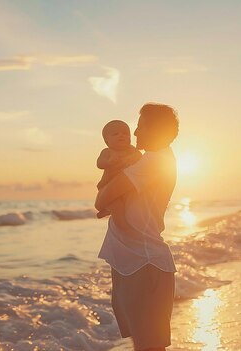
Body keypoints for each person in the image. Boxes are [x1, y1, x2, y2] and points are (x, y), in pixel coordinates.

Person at [95, 103, 179, 351]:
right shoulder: (161, 158)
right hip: (137, 261)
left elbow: (101, 199)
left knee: (147, 346)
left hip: (142, 264)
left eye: (140, 126)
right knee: (149, 345)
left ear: (154, 129)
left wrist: (108, 200)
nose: (135, 132)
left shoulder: (152, 162)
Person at [95, 120, 142, 235]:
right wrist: (109, 161)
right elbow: (99, 163)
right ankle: (123, 227)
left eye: (125, 133)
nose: (121, 135)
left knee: (127, 204)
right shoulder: (107, 152)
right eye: (115, 134)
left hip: (126, 187)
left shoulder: (132, 150)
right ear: (107, 141)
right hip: (108, 185)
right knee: (117, 207)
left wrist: (133, 158)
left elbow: (139, 156)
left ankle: (106, 210)